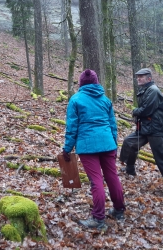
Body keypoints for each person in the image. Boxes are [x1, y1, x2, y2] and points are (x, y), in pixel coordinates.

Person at [62, 69, 125, 229]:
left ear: (81, 83)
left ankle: (98, 219)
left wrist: (67, 148)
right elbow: (113, 125)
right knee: (112, 177)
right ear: (96, 82)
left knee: (96, 181)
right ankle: (119, 210)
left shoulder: (75, 100)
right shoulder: (105, 100)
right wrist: (114, 144)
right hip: (107, 143)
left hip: (87, 145)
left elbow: (72, 127)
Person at [119, 68, 163, 198]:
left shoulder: (153, 90)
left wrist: (135, 111)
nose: (138, 79)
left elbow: (146, 110)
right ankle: (130, 168)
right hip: (146, 126)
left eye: (141, 77)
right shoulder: (145, 90)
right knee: (130, 142)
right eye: (137, 77)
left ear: (149, 78)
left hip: (157, 128)